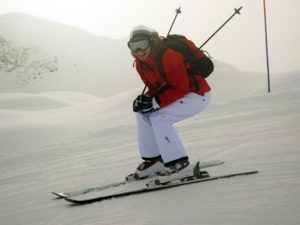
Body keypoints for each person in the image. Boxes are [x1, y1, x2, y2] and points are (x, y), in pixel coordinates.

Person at [127, 25, 211, 183]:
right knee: (142, 113)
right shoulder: (140, 64)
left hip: (196, 94)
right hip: (177, 95)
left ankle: (179, 164)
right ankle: (155, 160)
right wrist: (146, 99)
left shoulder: (168, 55)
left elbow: (181, 87)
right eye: (133, 46)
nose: (138, 50)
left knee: (159, 118)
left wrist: (155, 101)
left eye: (142, 44)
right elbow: (155, 87)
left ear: (151, 42)